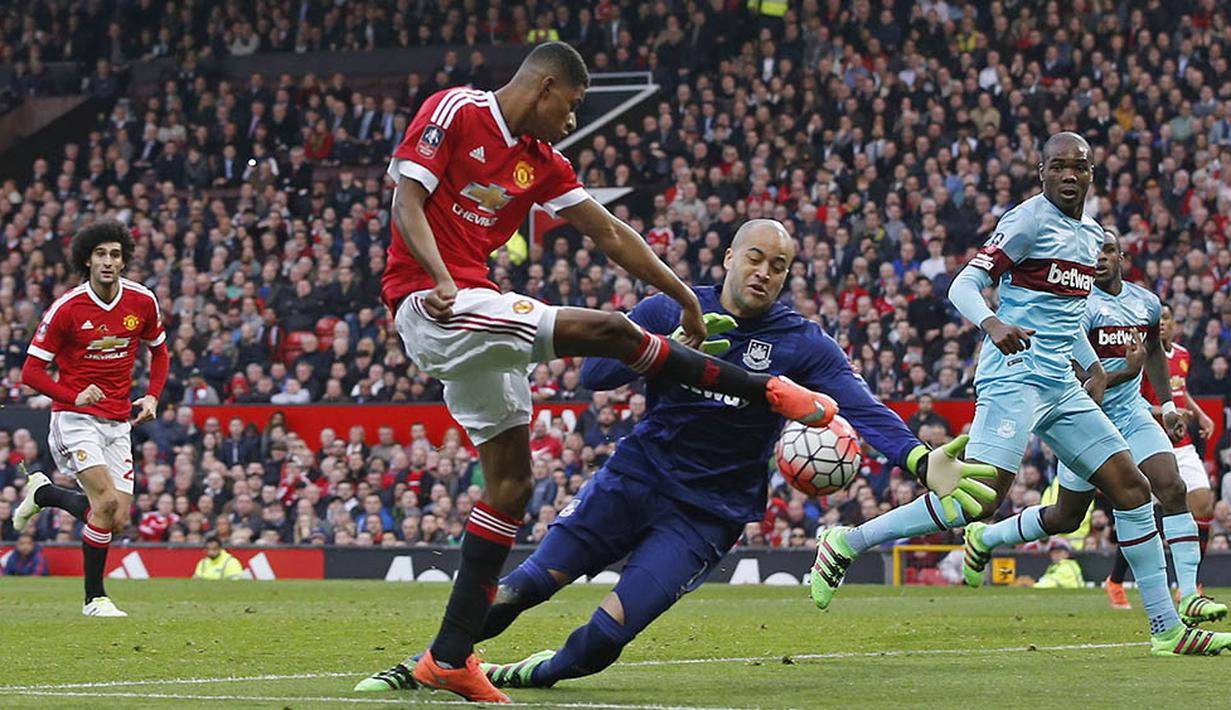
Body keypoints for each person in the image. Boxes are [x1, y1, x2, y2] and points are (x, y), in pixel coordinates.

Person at [374, 42, 836, 702]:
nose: (572, 120)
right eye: (574, 106)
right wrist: (442, 277)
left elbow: (611, 233)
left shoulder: (542, 163)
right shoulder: (458, 110)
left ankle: (447, 658)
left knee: (509, 485)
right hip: (430, 303)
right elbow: (404, 204)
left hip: (473, 312)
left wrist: (681, 297)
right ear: (547, 87)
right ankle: (765, 389)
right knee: (615, 331)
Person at [355, 220, 994, 694]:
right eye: (755, 258)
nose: (765, 272)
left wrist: (919, 459)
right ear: (729, 258)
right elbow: (595, 375)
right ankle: (429, 665)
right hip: (633, 480)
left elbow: (860, 406)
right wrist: (664, 340)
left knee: (603, 642)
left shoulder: (803, 342)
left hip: (708, 514)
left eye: (779, 265)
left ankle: (528, 672)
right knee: (525, 587)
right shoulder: (673, 304)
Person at [807, 133, 1231, 656]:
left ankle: (1167, 630)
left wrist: (1093, 366)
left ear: (1092, 175)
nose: (1069, 176)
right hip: (1014, 375)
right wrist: (992, 322)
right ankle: (845, 542)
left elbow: (1066, 313)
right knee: (976, 500)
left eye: (1079, 167)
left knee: (1131, 489)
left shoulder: (1090, 235)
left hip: (1060, 383)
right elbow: (962, 284)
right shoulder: (1026, 221)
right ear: (1042, 172)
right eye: (1059, 167)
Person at [961, 229, 1226, 625]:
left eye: (1108, 251)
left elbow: (1153, 351)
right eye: (1094, 252)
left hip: (1132, 415)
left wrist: (1168, 404)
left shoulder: (1145, 303)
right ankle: (986, 537)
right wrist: (1126, 370)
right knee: (1067, 517)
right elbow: (1079, 380)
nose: (1099, 258)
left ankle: (1189, 596)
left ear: (1121, 256)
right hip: (1084, 418)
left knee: (1172, 487)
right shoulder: (1075, 306)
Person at [12, 221, 168, 617]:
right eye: (101, 254)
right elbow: (30, 372)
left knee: (116, 518)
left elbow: (160, 352)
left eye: (115, 255)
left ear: (124, 260)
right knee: (104, 501)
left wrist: (152, 395)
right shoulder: (67, 308)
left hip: (118, 421)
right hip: (74, 417)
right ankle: (94, 598)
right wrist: (73, 394)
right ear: (87, 259)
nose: (108, 262)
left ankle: (44, 494)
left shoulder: (142, 301)